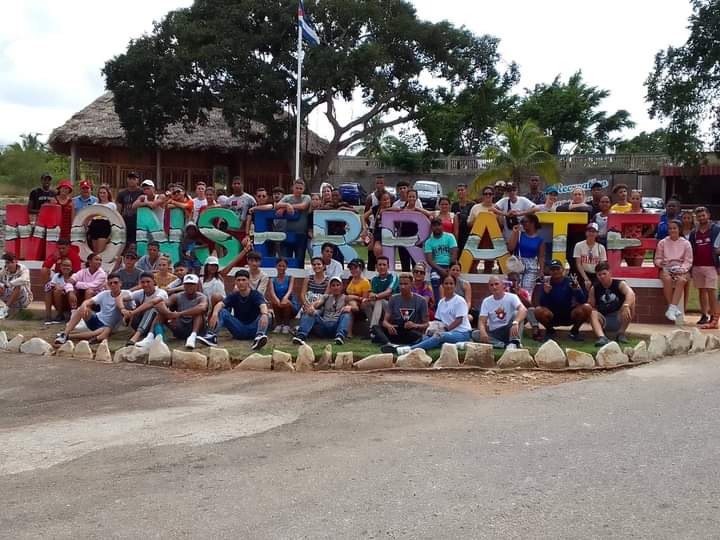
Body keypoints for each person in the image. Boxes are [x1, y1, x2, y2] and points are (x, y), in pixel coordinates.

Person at [390, 274, 472, 354]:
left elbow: (459, 320)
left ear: (455, 285)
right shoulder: (441, 302)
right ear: (442, 285)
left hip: (462, 333)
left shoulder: (459, 300)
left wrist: (445, 330)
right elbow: (438, 320)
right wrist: (433, 329)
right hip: (447, 332)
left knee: (439, 336)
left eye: (451, 284)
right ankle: (456, 345)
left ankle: (409, 350)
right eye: (446, 283)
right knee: (426, 337)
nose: (448, 286)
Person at [202, 269, 270, 350]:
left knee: (266, 314)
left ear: (248, 281)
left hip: (254, 329)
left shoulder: (255, 294)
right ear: (235, 282)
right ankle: (212, 337)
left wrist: (265, 315)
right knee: (222, 311)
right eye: (238, 280)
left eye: (243, 280)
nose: (241, 282)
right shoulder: (234, 295)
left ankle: (259, 337)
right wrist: (215, 313)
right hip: (239, 329)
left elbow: (263, 305)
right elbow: (220, 304)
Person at [54, 273, 130, 345]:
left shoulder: (126, 294)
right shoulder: (104, 293)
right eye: (110, 283)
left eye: (115, 282)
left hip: (107, 327)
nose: (113, 285)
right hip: (97, 319)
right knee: (82, 308)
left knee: (102, 331)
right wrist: (84, 305)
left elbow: (132, 309)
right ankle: (65, 333)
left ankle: (69, 336)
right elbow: (89, 301)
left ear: (120, 283)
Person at [533, 260, 591, 341]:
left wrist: (576, 289)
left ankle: (574, 332)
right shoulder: (546, 283)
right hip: (552, 316)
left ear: (562, 269)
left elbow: (582, 301)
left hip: (569, 315)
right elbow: (541, 304)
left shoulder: (570, 281)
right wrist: (546, 293)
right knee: (538, 311)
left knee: (587, 307)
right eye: (553, 269)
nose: (555, 271)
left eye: (557, 269)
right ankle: (550, 331)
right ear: (550, 271)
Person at [293, 276, 355, 346]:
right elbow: (317, 303)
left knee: (347, 314)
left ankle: (340, 337)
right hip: (323, 325)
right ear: (330, 287)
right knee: (310, 312)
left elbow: (356, 307)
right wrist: (312, 307)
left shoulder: (346, 298)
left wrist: (350, 306)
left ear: (341, 287)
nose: (335, 287)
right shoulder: (326, 297)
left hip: (336, 326)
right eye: (333, 285)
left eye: (338, 285)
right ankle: (300, 336)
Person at [374, 272, 429, 349]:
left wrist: (415, 325)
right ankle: (390, 344)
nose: (402, 287)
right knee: (376, 327)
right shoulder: (393, 298)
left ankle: (390, 343)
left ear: (412, 284)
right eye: (401, 284)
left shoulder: (421, 301)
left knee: (418, 336)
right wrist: (389, 326)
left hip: (411, 331)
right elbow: (385, 321)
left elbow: (426, 324)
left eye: (406, 284)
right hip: (397, 330)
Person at [472, 275, 527, 349]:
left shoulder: (512, 297)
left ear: (503, 285)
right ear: (489, 288)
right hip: (495, 332)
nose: (494, 287)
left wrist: (516, 322)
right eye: (491, 285)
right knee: (475, 334)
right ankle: (503, 345)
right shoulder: (486, 301)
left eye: (496, 284)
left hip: (509, 328)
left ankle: (514, 342)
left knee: (517, 313)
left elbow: (523, 309)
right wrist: (482, 331)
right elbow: (481, 321)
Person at [155, 274, 208, 349]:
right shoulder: (177, 296)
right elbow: (159, 304)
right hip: (180, 325)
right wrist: (169, 314)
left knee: (198, 313)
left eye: (192, 284)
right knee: (161, 313)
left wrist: (180, 314)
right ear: (184, 285)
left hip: (197, 328)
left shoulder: (201, 297)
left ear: (196, 285)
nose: (189, 286)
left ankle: (193, 337)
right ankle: (157, 338)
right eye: (187, 284)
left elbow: (202, 308)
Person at [654, 219, 693, 322]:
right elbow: (657, 259)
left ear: (679, 229)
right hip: (666, 268)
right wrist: (661, 263)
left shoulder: (686, 243)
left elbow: (688, 260)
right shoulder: (662, 242)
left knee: (682, 280)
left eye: (674, 228)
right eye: (670, 228)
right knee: (666, 279)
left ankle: (671, 308)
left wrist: (682, 269)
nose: (672, 230)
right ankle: (673, 308)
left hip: (681, 269)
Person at [589, 262, 636, 346]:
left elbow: (631, 294)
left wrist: (626, 306)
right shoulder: (594, 288)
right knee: (592, 312)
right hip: (603, 319)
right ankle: (602, 337)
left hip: (619, 316)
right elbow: (591, 305)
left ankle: (621, 333)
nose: (602, 276)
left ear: (610, 273)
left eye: (604, 273)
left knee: (631, 303)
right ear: (597, 276)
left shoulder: (620, 284)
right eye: (599, 275)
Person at [688, 206, 720, 328]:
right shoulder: (693, 233)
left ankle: (714, 316)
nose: (701, 218)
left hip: (711, 265)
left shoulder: (716, 230)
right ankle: (704, 315)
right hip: (697, 265)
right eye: (699, 216)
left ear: (708, 215)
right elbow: (691, 249)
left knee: (712, 291)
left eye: (703, 215)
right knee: (701, 291)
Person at [120, 272, 169, 347]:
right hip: (140, 322)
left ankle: (136, 337)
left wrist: (132, 313)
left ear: (154, 281)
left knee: (152, 308)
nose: (145, 284)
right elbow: (119, 297)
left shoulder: (161, 292)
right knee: (135, 303)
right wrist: (123, 310)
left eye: (148, 282)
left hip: (156, 322)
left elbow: (152, 302)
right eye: (143, 282)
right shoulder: (140, 293)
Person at [557, 187, 594, 273]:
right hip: (569, 237)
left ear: (584, 196)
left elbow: (588, 209)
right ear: (572, 196)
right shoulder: (566, 205)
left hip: (582, 237)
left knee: (581, 260)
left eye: (579, 194)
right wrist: (576, 205)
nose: (577, 196)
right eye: (575, 194)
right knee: (570, 258)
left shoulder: (588, 206)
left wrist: (572, 207)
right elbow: (559, 209)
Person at [424, 217, 458, 303]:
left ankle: (452, 303)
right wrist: (441, 270)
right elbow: (429, 260)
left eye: (438, 225)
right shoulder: (428, 242)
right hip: (437, 266)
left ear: (442, 226)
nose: (437, 227)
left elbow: (454, 253)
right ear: (431, 228)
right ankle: (438, 305)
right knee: (435, 278)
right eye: (434, 225)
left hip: (450, 265)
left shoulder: (450, 237)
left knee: (450, 282)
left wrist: (449, 269)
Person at [362, 255, 399, 333]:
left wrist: (376, 296)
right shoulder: (374, 279)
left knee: (379, 300)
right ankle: (376, 326)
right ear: (376, 266)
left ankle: (373, 329)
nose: (382, 267)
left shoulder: (393, 276)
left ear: (388, 266)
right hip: (381, 306)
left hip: (393, 307)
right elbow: (371, 294)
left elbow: (389, 291)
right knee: (366, 303)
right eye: (380, 265)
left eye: (384, 265)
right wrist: (373, 296)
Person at [507, 215, 544, 290]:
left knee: (527, 290)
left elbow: (541, 256)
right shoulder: (519, 234)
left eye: (525, 222)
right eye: (522, 222)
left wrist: (541, 270)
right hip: (518, 263)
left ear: (533, 223)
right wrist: (515, 232)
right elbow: (510, 248)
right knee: (515, 288)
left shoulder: (540, 239)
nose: (523, 224)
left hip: (532, 264)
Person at [267, 257, 300, 334]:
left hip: (290, 305)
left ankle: (286, 325)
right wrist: (277, 300)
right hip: (279, 305)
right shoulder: (272, 279)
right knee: (274, 302)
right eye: (279, 265)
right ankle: (278, 325)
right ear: (276, 266)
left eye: (283, 266)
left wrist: (285, 299)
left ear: (286, 267)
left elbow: (290, 290)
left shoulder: (290, 278)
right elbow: (272, 292)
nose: (281, 268)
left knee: (286, 303)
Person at [364, 190, 393, 270]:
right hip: (377, 232)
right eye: (384, 200)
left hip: (388, 233)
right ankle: (371, 269)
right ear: (380, 201)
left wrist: (386, 210)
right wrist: (365, 228)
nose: (387, 201)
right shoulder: (376, 209)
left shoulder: (392, 209)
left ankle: (381, 267)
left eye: (388, 199)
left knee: (377, 249)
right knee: (370, 248)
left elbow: (399, 211)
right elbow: (363, 217)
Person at [573, 223, 607, 291]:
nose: (591, 233)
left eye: (594, 231)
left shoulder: (601, 247)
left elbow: (602, 265)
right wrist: (586, 279)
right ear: (586, 233)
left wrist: (598, 278)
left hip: (596, 275)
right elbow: (578, 264)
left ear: (597, 234)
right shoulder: (578, 245)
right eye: (589, 231)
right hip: (583, 274)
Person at [344, 258, 371, 337]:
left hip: (359, 307)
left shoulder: (365, 282)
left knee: (350, 307)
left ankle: (349, 333)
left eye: (355, 268)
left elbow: (364, 300)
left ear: (361, 268)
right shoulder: (350, 280)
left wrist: (353, 297)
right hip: (348, 303)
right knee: (348, 305)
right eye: (351, 269)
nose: (353, 270)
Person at [44, 257, 75, 324]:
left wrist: (64, 289)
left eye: (68, 266)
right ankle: (56, 315)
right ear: (60, 267)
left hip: (71, 300)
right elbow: (48, 286)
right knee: (54, 291)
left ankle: (72, 315)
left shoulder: (75, 276)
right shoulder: (57, 276)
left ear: (71, 267)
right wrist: (55, 286)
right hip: (59, 300)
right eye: (64, 265)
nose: (66, 267)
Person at [88, 184, 116, 254]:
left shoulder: (111, 205)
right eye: (100, 193)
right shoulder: (95, 204)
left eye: (104, 193)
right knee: (95, 251)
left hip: (104, 226)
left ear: (108, 194)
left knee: (100, 251)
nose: (102, 195)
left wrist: (112, 233)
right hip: (94, 226)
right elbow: (91, 217)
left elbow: (114, 219)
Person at [117, 171, 143, 246]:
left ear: (137, 180)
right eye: (130, 178)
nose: (132, 180)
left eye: (134, 178)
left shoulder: (142, 192)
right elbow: (119, 209)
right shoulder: (121, 193)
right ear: (127, 180)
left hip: (138, 222)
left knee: (137, 244)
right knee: (124, 243)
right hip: (125, 221)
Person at [452, 183, 475, 254]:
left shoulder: (472, 205)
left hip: (468, 233)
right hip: (457, 233)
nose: (460, 192)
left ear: (466, 191)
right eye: (458, 190)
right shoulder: (454, 205)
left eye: (462, 190)